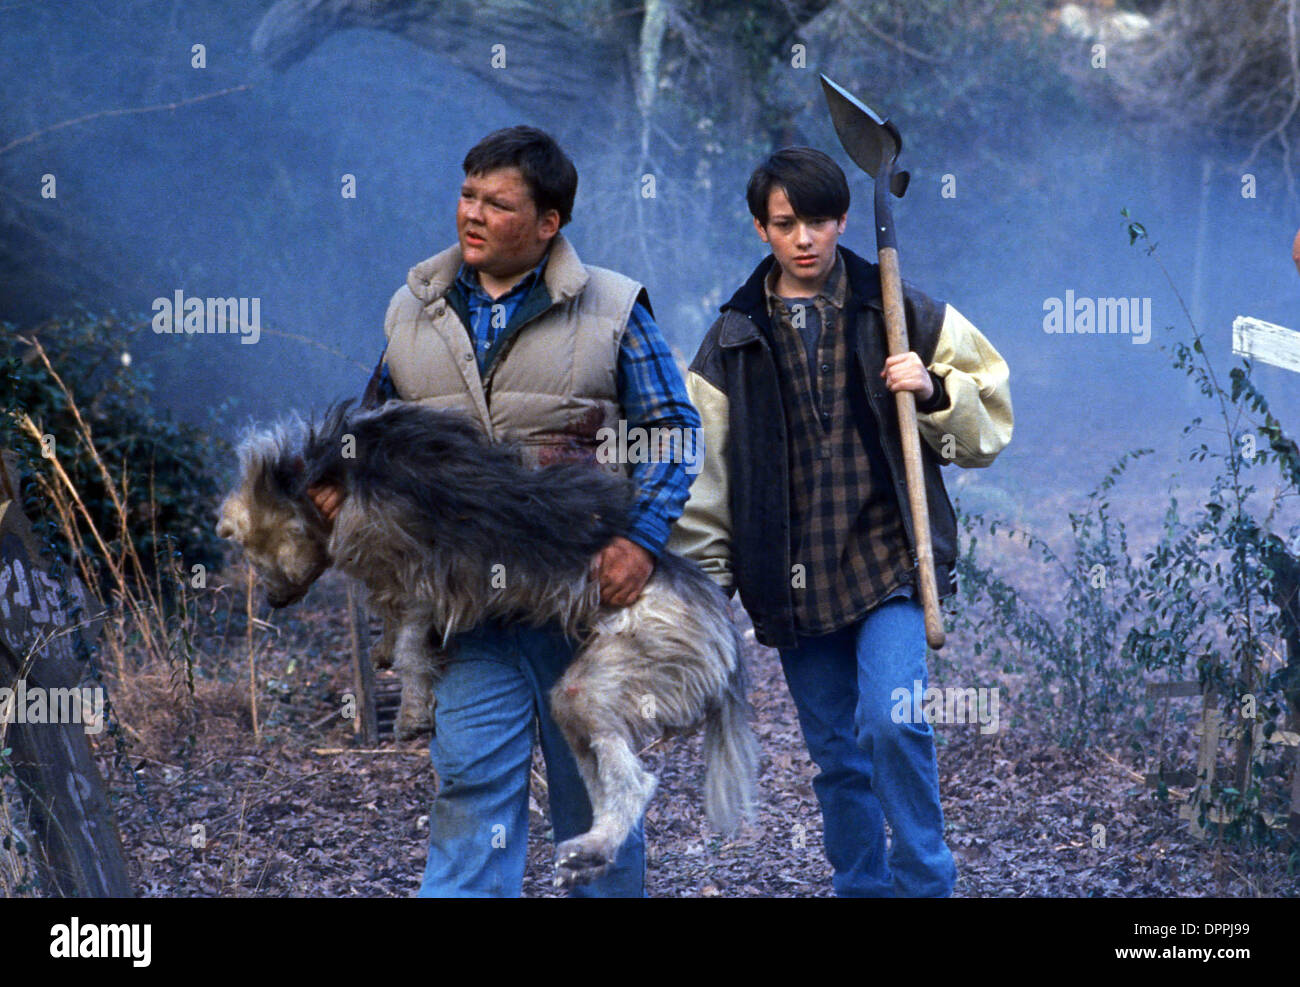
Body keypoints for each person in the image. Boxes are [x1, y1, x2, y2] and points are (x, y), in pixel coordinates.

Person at [310, 125, 700, 897]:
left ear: (549, 223)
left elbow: (671, 433)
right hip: (466, 607)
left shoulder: (612, 308)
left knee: (593, 800)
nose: (472, 214)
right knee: (470, 790)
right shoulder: (412, 310)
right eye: (467, 194)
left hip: (578, 600)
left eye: (498, 202)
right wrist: (333, 483)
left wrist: (642, 541)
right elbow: (371, 429)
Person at [667, 146, 1013, 897]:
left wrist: (931, 391)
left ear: (843, 219)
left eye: (820, 220)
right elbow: (706, 481)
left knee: (893, 723)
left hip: (891, 562)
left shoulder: (897, 308)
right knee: (837, 756)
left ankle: (926, 884)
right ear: (761, 227)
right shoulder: (731, 340)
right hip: (790, 581)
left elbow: (987, 432)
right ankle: (861, 886)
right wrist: (709, 590)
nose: (806, 239)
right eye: (787, 222)